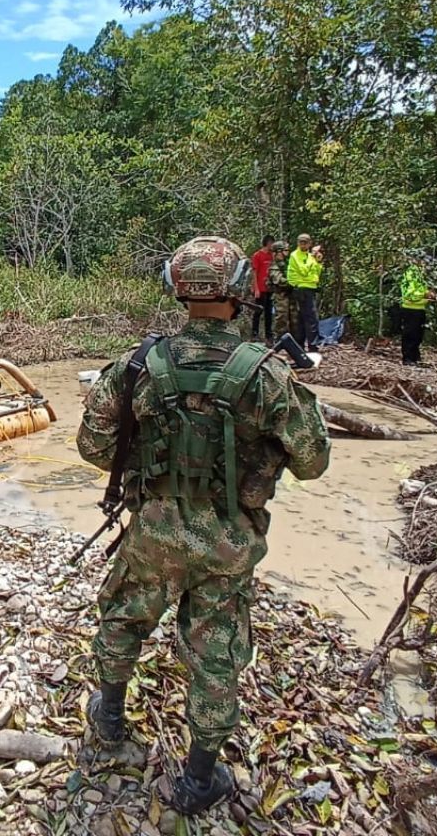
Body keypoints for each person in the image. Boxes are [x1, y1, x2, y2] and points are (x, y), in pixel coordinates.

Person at [78, 236, 330, 815]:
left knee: (124, 616)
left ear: (177, 288)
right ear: (240, 290)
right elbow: (313, 463)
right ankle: (197, 779)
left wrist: (149, 457)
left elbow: (93, 446)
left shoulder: (140, 364)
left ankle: (109, 722)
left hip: (154, 529)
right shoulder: (267, 373)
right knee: (216, 652)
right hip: (227, 539)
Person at [286, 234, 323, 352]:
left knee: (304, 318)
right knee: (310, 318)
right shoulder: (295, 255)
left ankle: (302, 345)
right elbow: (304, 271)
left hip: (310, 288)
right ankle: (311, 346)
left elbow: (316, 272)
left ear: (309, 243)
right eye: (301, 243)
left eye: (305, 243)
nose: (303, 245)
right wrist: (313, 258)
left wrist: (318, 261)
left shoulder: (309, 256)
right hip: (301, 288)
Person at [398, 259, 433, 366]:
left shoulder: (420, 274)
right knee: (410, 334)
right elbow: (409, 294)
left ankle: (414, 356)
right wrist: (424, 294)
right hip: (410, 308)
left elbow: (421, 289)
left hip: (420, 308)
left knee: (418, 334)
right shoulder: (411, 273)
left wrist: (428, 294)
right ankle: (408, 358)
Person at [267, 241, 297, 339]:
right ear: (278, 252)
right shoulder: (274, 266)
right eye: (285, 250)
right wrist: (294, 281)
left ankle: (295, 341)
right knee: (281, 319)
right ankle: (281, 340)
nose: (287, 252)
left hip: (291, 295)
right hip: (281, 296)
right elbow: (279, 281)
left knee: (295, 319)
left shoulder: (289, 264)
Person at [249, 235, 274, 342]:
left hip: (269, 289)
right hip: (260, 288)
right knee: (258, 311)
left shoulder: (272, 256)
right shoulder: (257, 255)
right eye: (272, 243)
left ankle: (269, 335)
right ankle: (254, 334)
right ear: (268, 243)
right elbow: (254, 272)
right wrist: (256, 288)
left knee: (269, 313)